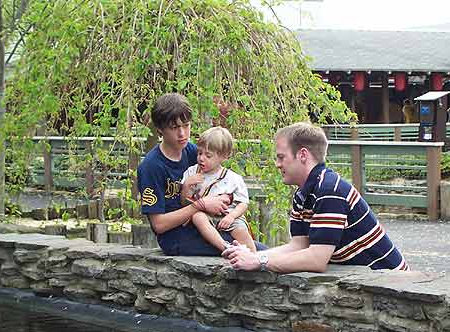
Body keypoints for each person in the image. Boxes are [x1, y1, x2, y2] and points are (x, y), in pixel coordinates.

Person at [223, 122, 409, 273]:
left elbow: (316, 259)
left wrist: (259, 260)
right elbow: (299, 246)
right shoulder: (303, 194)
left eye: (281, 157)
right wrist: (252, 256)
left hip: (391, 286)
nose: (277, 164)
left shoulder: (330, 190)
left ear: (303, 154)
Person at [137, 93, 265, 256]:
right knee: (247, 251)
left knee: (259, 248)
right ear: (160, 130)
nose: (182, 134)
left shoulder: (193, 152)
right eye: (174, 128)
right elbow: (159, 225)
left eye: (186, 125)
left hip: (209, 224)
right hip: (176, 237)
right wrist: (200, 205)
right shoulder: (151, 167)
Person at [181, 126, 256, 253]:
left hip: (228, 216)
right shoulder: (191, 172)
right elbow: (184, 202)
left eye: (208, 155)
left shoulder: (233, 178)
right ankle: (224, 246)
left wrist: (231, 217)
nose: (201, 158)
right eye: (199, 153)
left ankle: (253, 256)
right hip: (205, 215)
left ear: (224, 156)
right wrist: (187, 186)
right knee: (197, 217)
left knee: (241, 230)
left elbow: (243, 203)